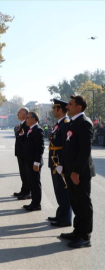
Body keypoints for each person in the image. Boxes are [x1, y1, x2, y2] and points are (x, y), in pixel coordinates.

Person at [59, 95, 95, 249]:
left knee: (83, 203)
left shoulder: (84, 123)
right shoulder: (74, 122)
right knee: (75, 202)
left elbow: (85, 150)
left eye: (70, 104)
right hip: (70, 171)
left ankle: (85, 236)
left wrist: (76, 171)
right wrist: (64, 169)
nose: (67, 107)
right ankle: (77, 231)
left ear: (79, 107)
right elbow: (68, 148)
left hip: (80, 173)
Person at [47, 99, 72, 227]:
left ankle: (66, 219)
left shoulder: (66, 124)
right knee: (58, 190)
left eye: (54, 108)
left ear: (60, 109)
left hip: (59, 162)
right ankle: (60, 214)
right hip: (55, 161)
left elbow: (66, 146)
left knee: (63, 191)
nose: (53, 110)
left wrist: (62, 164)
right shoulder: (59, 124)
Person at [22, 112, 45, 212]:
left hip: (34, 162)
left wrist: (36, 162)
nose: (26, 119)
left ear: (34, 119)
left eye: (28, 118)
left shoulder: (38, 130)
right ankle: (33, 202)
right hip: (29, 161)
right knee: (31, 183)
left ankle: (37, 204)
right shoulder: (30, 129)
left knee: (35, 184)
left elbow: (40, 148)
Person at [14, 107, 31, 199]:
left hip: (25, 154)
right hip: (20, 153)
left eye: (20, 112)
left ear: (25, 113)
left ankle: (27, 192)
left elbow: (26, 140)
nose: (18, 113)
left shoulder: (27, 124)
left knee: (26, 174)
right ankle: (23, 190)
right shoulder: (21, 124)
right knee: (23, 173)